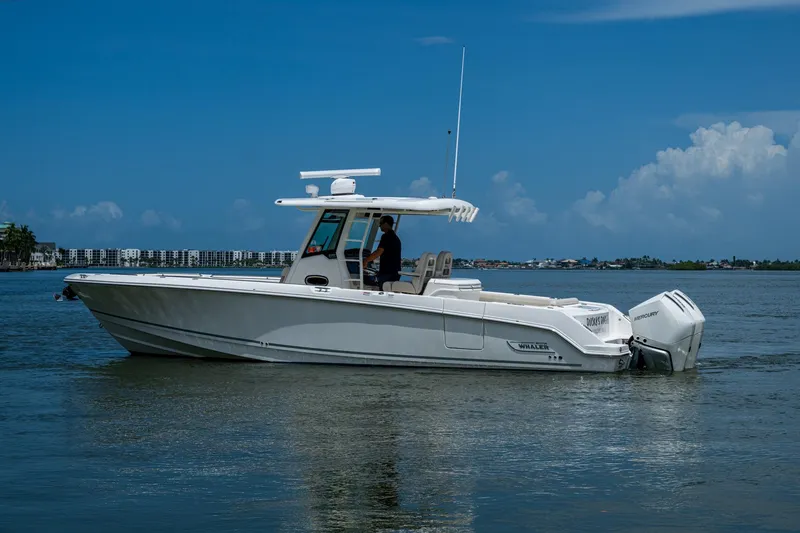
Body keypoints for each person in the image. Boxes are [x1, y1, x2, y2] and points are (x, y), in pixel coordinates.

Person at [363, 215, 402, 287]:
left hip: (387, 273)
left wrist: (366, 261)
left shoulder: (386, 236)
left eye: (381, 223)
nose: (379, 226)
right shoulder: (395, 238)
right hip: (394, 273)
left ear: (386, 224)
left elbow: (379, 251)